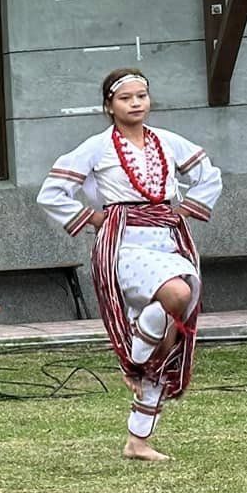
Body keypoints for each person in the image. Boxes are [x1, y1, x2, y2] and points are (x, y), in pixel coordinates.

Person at [37, 68, 221, 461]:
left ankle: (138, 440)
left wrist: (185, 208)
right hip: (124, 245)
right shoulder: (97, 147)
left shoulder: (168, 141)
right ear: (109, 106)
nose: (136, 103)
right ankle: (135, 359)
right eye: (125, 98)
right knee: (177, 293)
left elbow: (209, 176)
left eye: (141, 96)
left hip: (167, 240)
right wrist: (92, 217)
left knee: (167, 333)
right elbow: (51, 192)